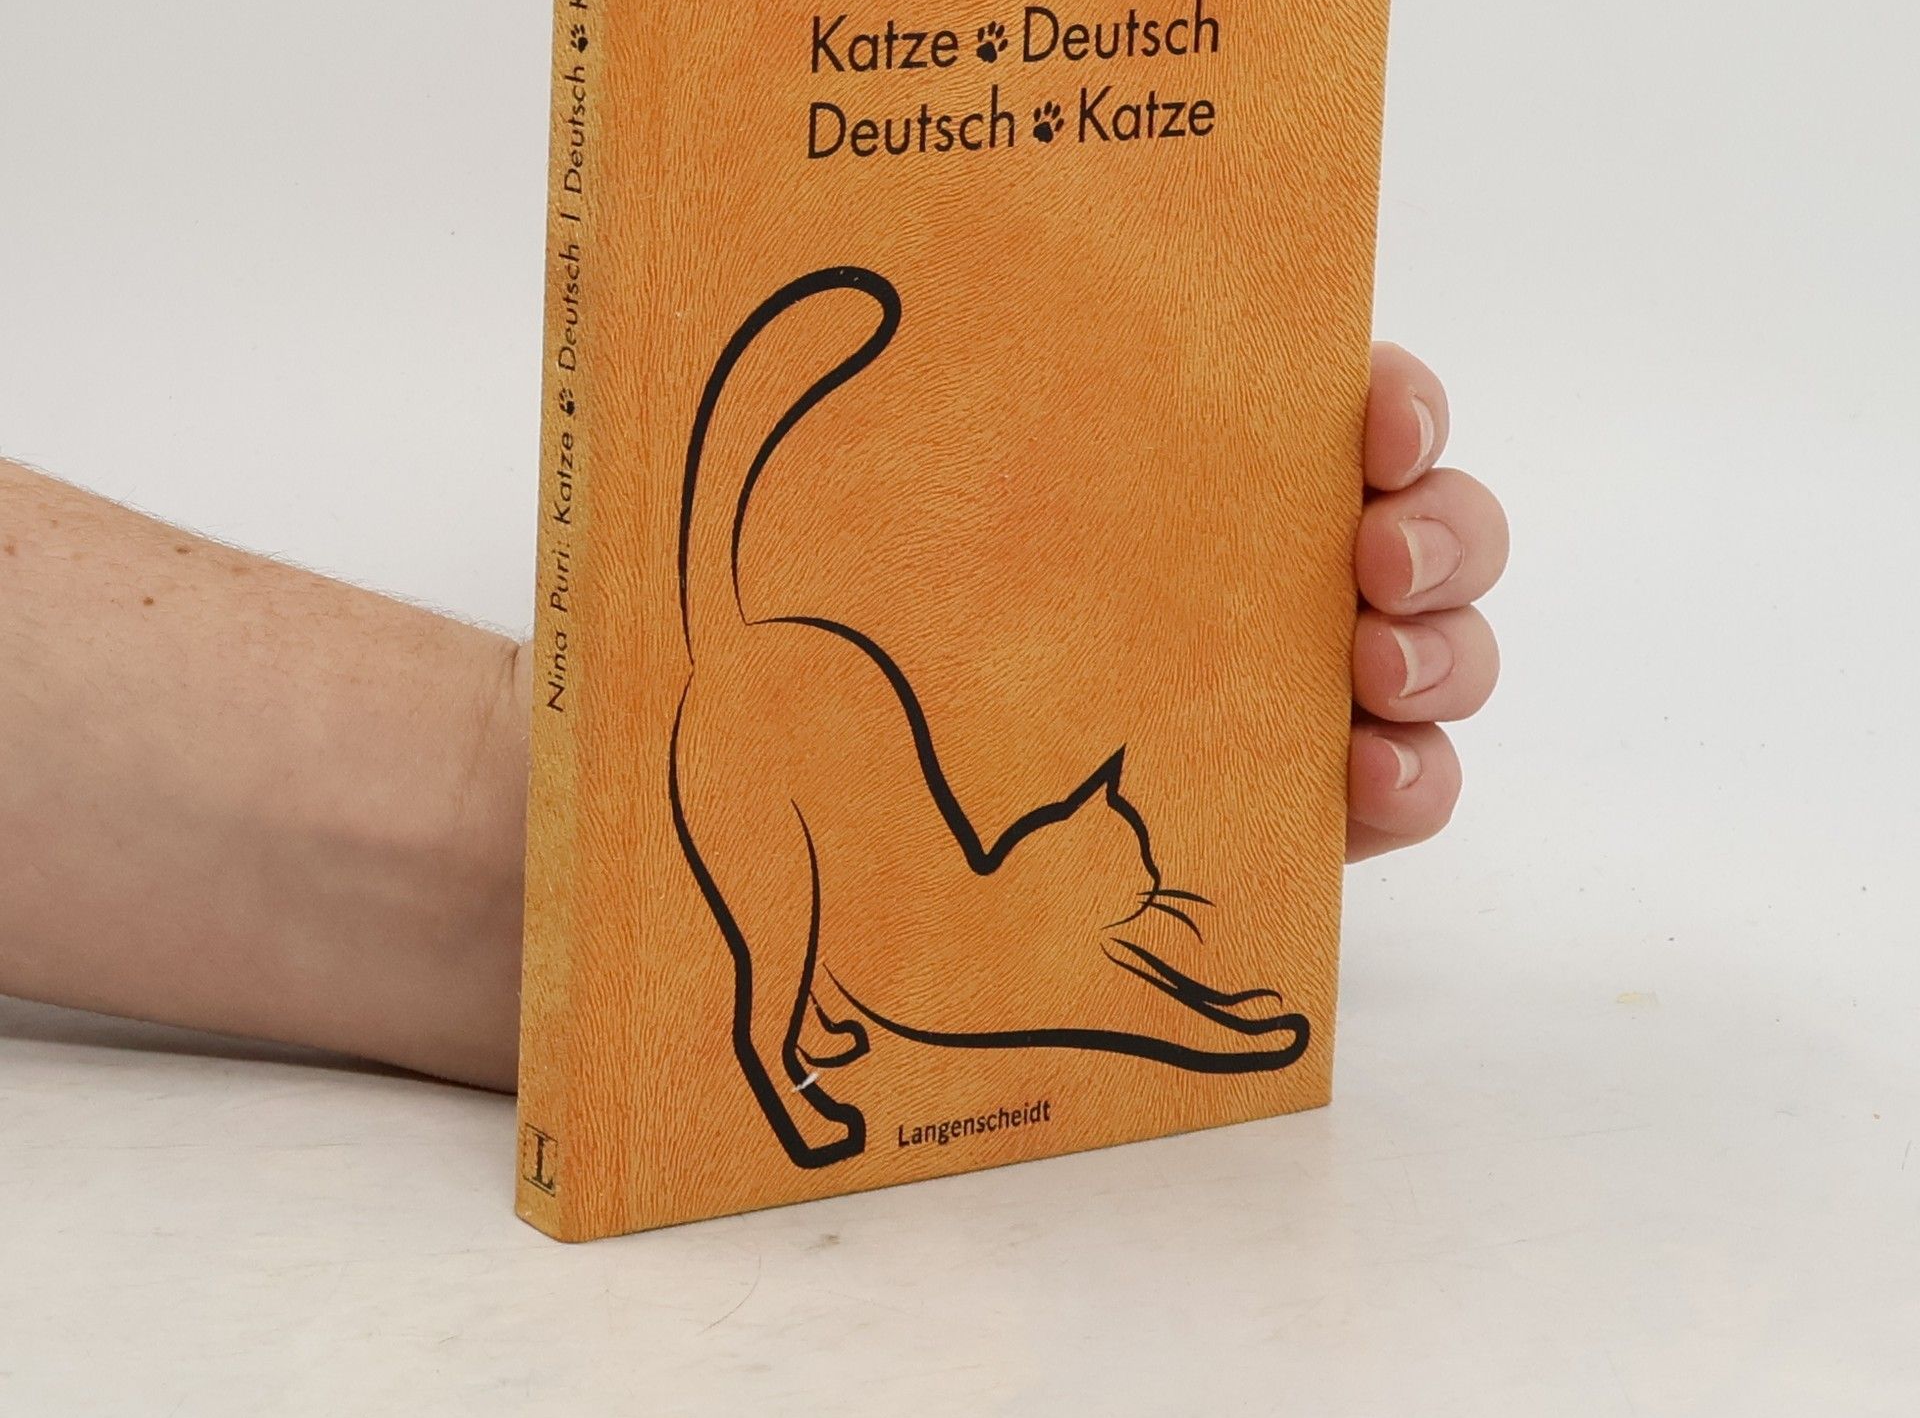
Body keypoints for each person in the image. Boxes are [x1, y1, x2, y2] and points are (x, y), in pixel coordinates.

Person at [0, 342, 1506, 1094]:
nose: (1139, 896)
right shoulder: (1012, 940)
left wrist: (550, 840)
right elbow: (1132, 1005)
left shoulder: (1027, 906)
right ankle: (775, 1052)